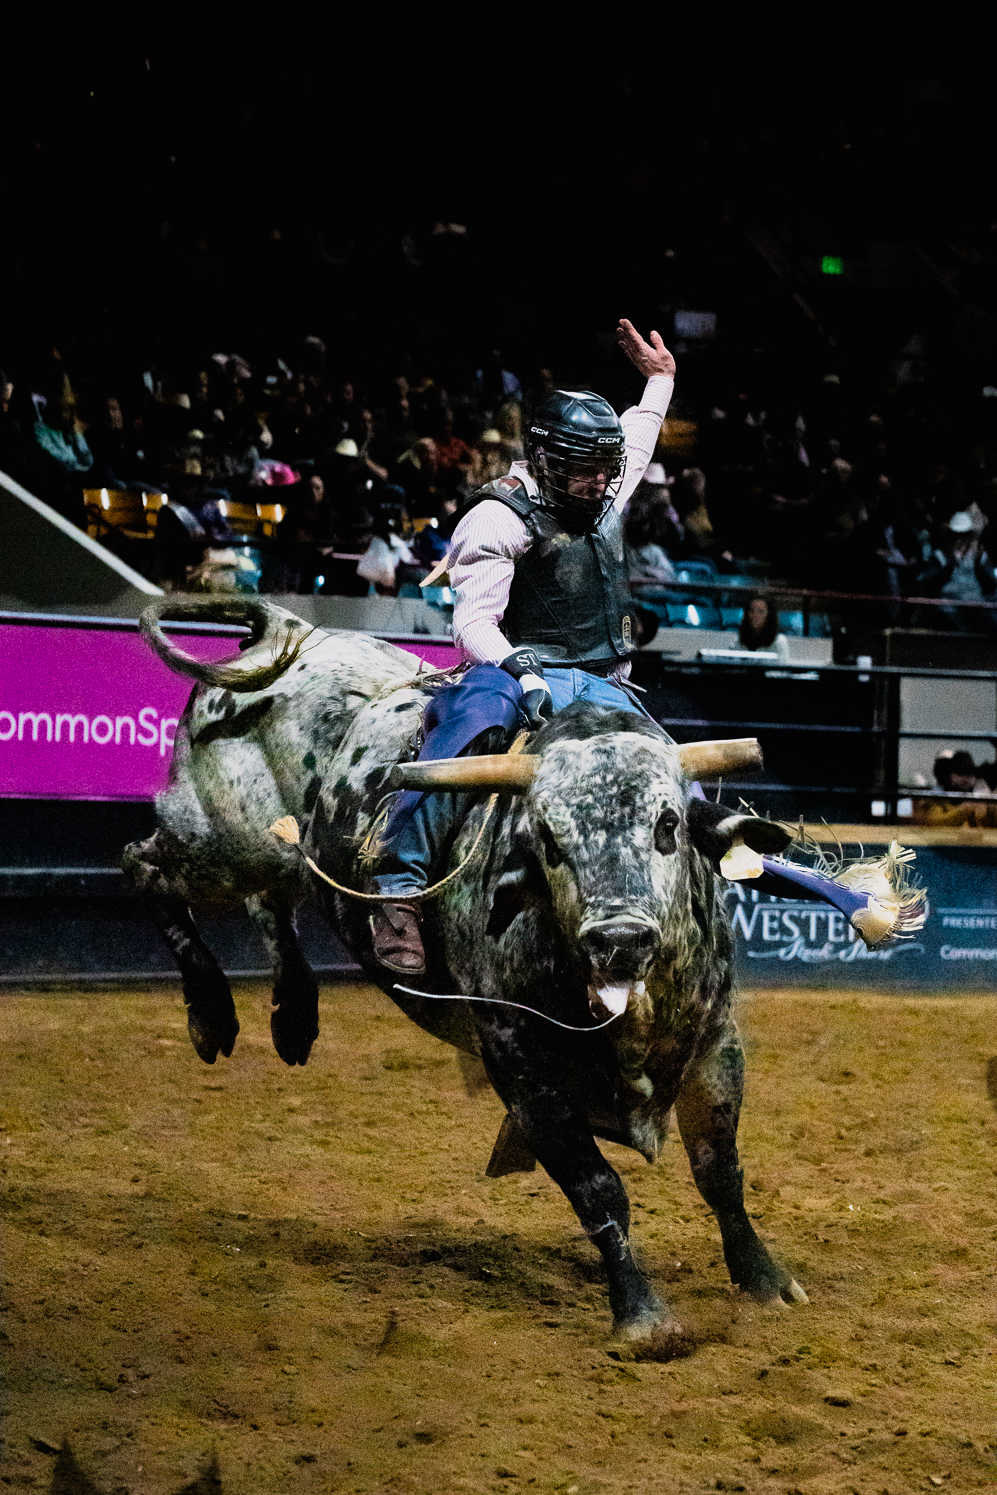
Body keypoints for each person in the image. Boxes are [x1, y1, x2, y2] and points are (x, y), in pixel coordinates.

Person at [368, 317, 678, 972]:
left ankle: (708, 872)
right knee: (470, 731)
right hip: (509, 668)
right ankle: (397, 884)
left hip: (600, 680)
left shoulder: (598, 491)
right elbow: (473, 623)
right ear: (545, 459)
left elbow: (641, 443)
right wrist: (520, 668)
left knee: (667, 770)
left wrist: (658, 384)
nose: (599, 484)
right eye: (584, 470)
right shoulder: (497, 516)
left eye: (604, 470)